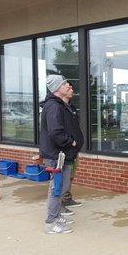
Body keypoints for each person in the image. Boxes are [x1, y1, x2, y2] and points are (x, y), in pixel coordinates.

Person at [39, 75, 84, 234]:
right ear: (57, 88)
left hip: (64, 155)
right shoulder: (54, 107)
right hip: (57, 155)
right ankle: (51, 222)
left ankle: (57, 216)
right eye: (65, 84)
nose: (69, 86)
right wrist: (70, 142)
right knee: (57, 188)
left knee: (62, 186)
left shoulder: (63, 105)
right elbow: (56, 132)